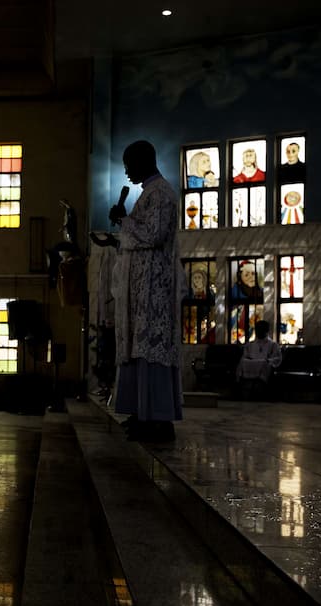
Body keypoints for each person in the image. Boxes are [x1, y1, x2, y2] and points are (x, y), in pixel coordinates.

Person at [109, 140, 184, 442]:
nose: (126, 171)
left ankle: (159, 419)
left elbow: (154, 235)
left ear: (144, 161)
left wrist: (125, 221)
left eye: (129, 165)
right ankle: (141, 413)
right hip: (140, 295)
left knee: (152, 353)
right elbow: (136, 236)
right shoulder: (147, 194)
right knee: (137, 352)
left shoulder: (162, 194)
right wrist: (123, 225)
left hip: (154, 294)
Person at [235, 320, 282, 399]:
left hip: (264, 369)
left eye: (261, 329)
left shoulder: (273, 345)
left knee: (263, 366)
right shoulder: (250, 345)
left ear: (266, 331)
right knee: (243, 363)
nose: (259, 332)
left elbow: (277, 359)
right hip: (250, 366)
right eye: (257, 329)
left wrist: (268, 361)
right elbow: (245, 357)